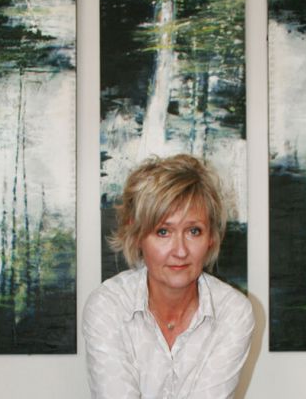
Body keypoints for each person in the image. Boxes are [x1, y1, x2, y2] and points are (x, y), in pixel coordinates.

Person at [83, 154, 255, 398]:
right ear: (137, 235)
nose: (180, 251)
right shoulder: (108, 306)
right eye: (163, 231)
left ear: (211, 238)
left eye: (194, 231)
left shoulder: (232, 312)